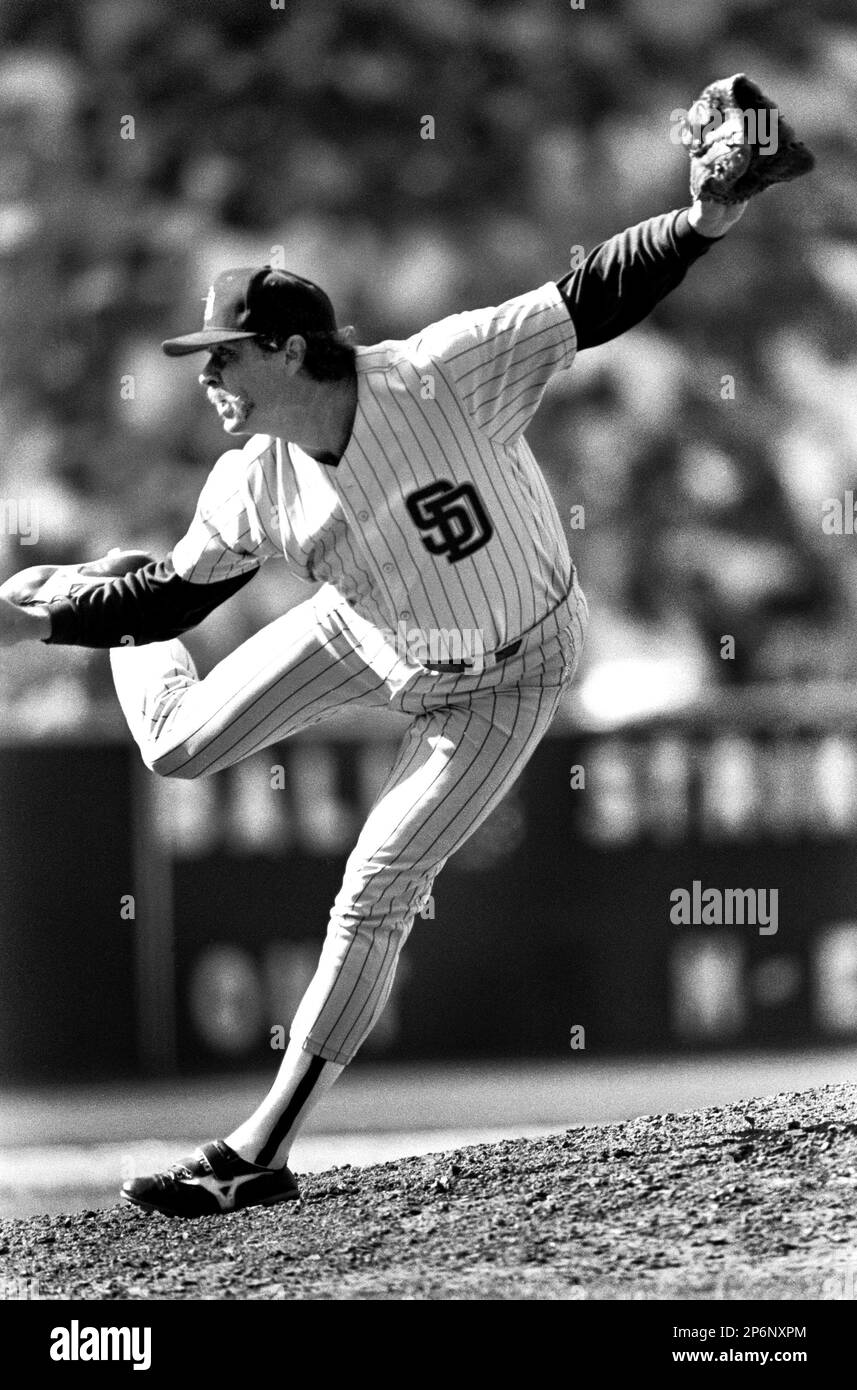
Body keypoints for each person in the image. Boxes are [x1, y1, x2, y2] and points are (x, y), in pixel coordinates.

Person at [0, 192, 746, 1217]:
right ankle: (106, 581)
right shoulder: (248, 482)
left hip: (507, 672)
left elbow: (593, 296)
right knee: (174, 746)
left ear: (292, 350)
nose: (207, 374)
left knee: (376, 886)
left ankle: (258, 1148)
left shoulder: (441, 372)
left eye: (226, 352)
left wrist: (703, 216)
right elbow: (177, 600)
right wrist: (54, 623)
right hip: (365, 630)